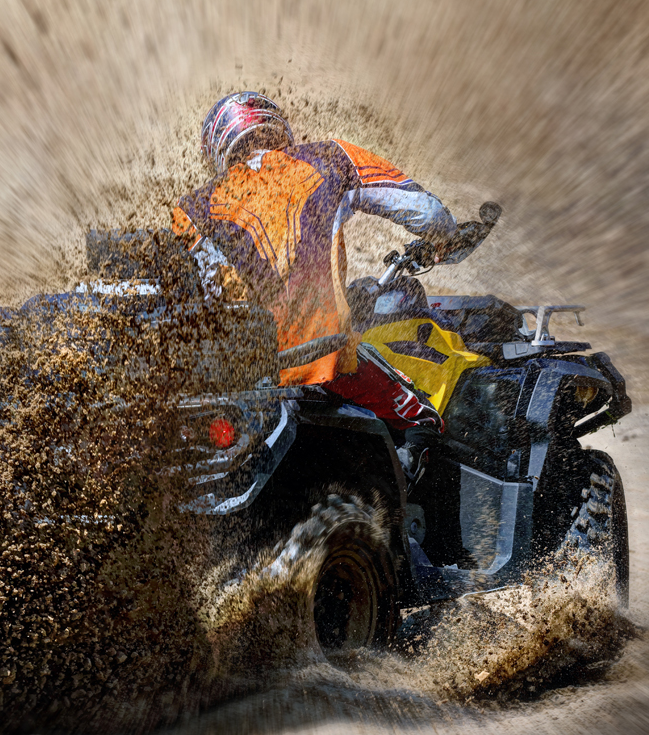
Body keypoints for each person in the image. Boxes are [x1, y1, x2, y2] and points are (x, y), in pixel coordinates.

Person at [170, 91, 458, 484]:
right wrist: (446, 238)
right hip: (327, 359)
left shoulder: (190, 210)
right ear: (275, 124)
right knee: (424, 421)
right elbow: (428, 214)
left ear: (217, 148)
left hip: (245, 383)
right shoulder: (330, 158)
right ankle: (404, 507)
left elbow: (202, 294)